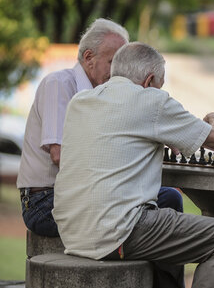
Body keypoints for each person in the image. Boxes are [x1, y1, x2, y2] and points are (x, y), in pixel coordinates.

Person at [52, 42, 214, 288]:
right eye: (160, 85)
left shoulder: (80, 101)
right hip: (119, 231)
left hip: (72, 232)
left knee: (168, 205)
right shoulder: (151, 100)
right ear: (150, 80)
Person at [16, 18, 183, 238]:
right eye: (113, 62)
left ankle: (158, 274)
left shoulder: (107, 95)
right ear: (89, 58)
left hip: (88, 196)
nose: (119, 72)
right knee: (153, 207)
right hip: (46, 201)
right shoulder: (59, 84)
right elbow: (60, 154)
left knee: (168, 198)